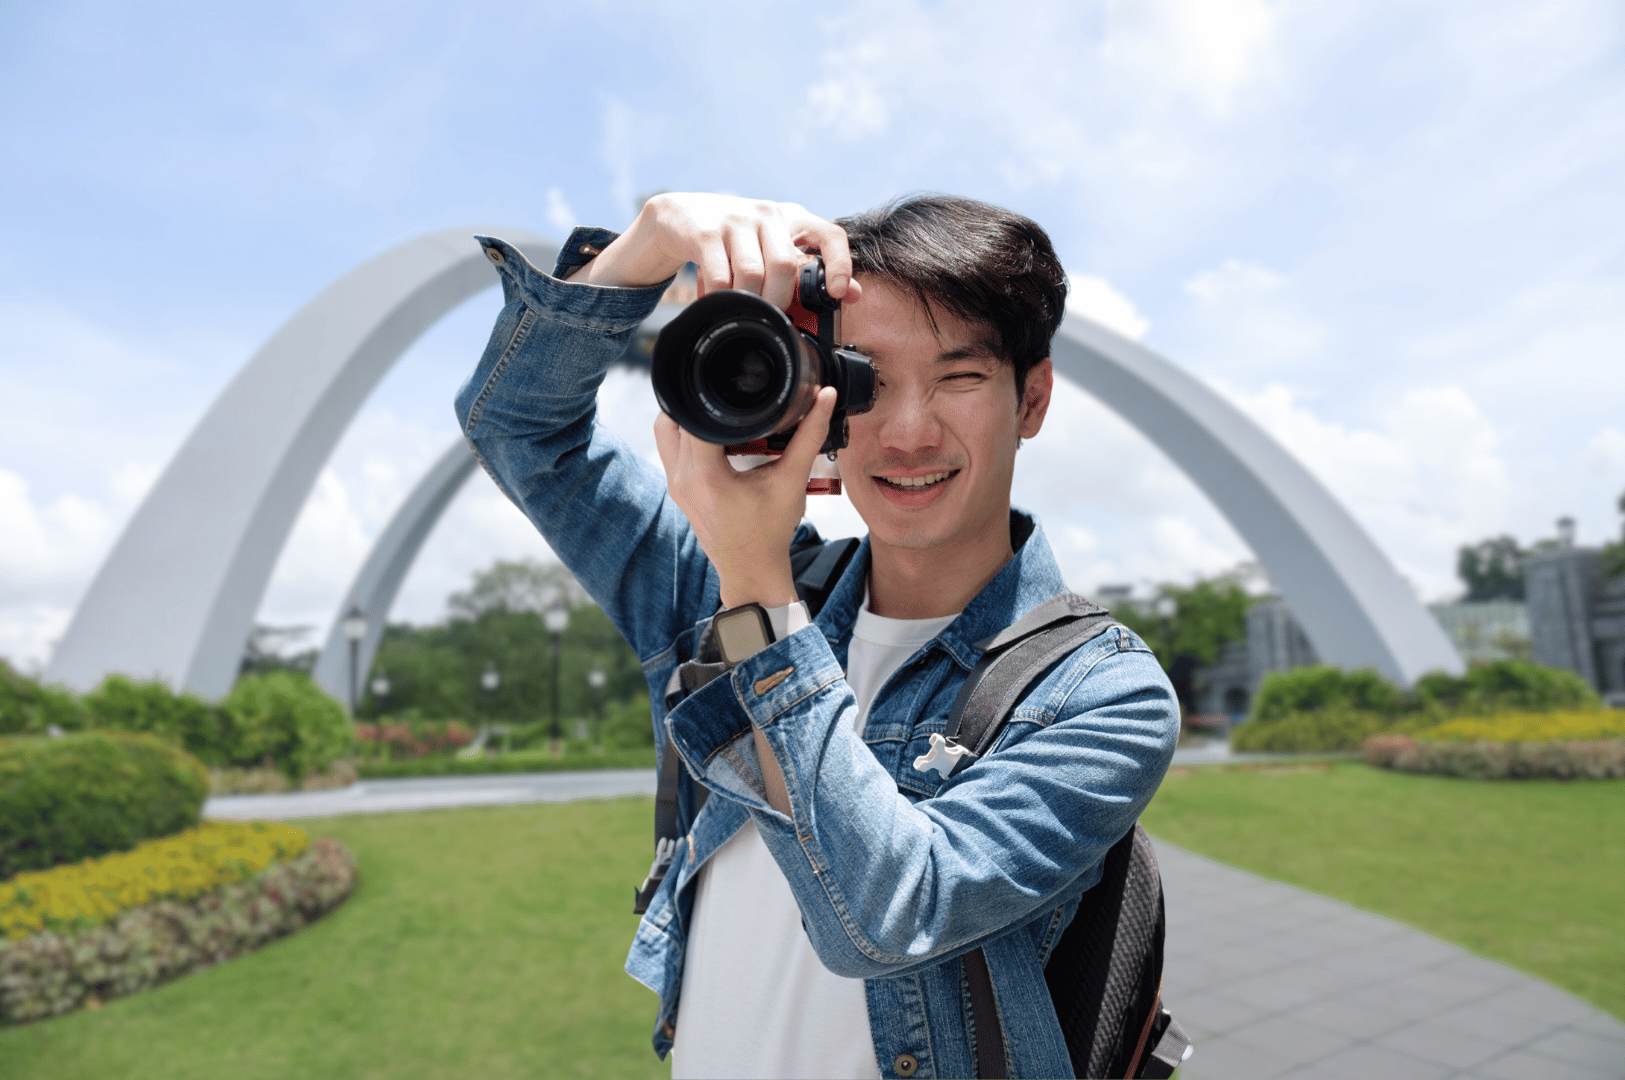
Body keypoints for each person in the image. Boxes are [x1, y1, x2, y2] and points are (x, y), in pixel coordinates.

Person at [455, 192, 1179, 1080]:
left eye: (959, 377)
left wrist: (755, 585)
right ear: (822, 397)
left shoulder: (1100, 692)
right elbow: (519, 428)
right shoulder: (721, 581)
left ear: (1031, 400)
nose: (909, 432)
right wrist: (640, 251)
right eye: (867, 377)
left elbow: (886, 917)